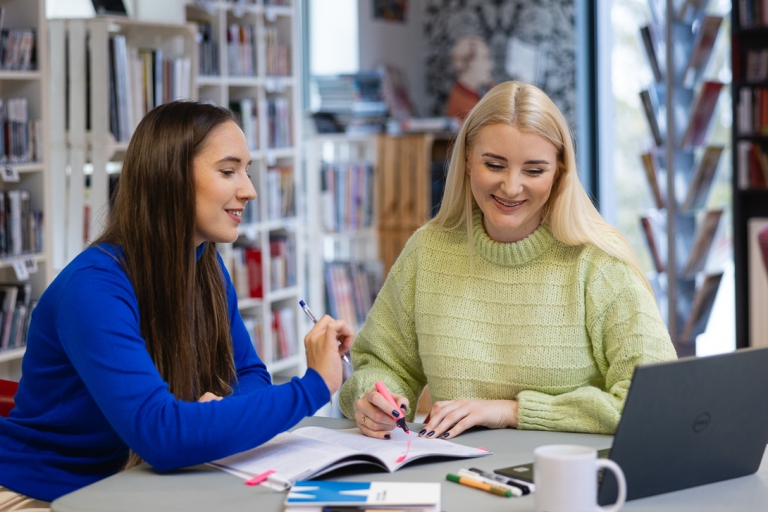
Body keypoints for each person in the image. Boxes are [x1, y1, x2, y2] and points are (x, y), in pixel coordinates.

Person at [0, 101, 353, 508]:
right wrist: (314, 386)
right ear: (171, 178)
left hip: (133, 484)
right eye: (228, 171)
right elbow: (161, 436)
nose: (249, 190)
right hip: (42, 494)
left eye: (247, 170)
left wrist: (218, 413)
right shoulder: (92, 288)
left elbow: (248, 373)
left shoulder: (205, 265)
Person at [339, 81, 677, 440]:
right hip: (456, 470)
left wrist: (512, 411)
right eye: (494, 165)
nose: (511, 187)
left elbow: (660, 401)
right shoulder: (428, 252)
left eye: (534, 171)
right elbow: (381, 365)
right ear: (467, 160)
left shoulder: (599, 263)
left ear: (560, 171)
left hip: (570, 472)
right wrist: (375, 400)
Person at [446, 36, 494, 121]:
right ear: (468, 63)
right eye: (484, 58)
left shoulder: (474, 93)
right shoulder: (460, 99)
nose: (490, 65)